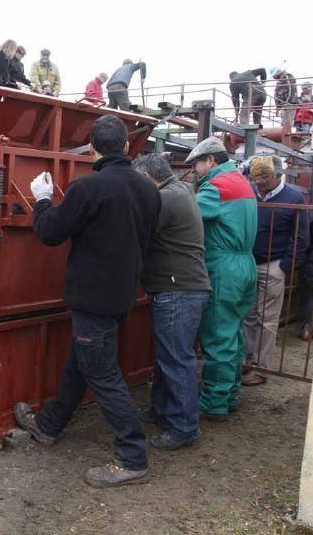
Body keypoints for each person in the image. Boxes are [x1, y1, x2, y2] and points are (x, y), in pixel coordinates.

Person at [12, 115, 160, 488]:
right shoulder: (148, 190)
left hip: (92, 298)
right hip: (121, 294)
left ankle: (132, 456)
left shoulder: (87, 188)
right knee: (81, 363)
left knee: (102, 374)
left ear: (93, 149)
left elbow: (49, 232)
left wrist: (41, 199)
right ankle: (48, 425)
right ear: (126, 147)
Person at [133, 154, 211, 450]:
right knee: (170, 356)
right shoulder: (181, 191)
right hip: (184, 287)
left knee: (177, 359)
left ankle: (184, 428)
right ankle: (163, 412)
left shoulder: (165, 199)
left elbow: (137, 232)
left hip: (177, 289)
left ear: (146, 176)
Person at [185, 137, 257, 420]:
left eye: (197, 164)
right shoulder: (241, 182)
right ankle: (230, 393)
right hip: (245, 263)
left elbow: (187, 215)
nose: (194, 170)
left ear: (210, 161)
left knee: (218, 336)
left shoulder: (216, 186)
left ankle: (214, 402)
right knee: (234, 335)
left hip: (223, 267)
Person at [241, 155, 308, 386]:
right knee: (248, 315)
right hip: (249, 261)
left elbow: (301, 237)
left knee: (266, 319)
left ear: (279, 175)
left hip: (273, 264)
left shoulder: (294, 198)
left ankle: (260, 367)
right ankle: (247, 361)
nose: (260, 183)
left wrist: (285, 266)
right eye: (256, 178)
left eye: (265, 179)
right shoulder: (251, 192)